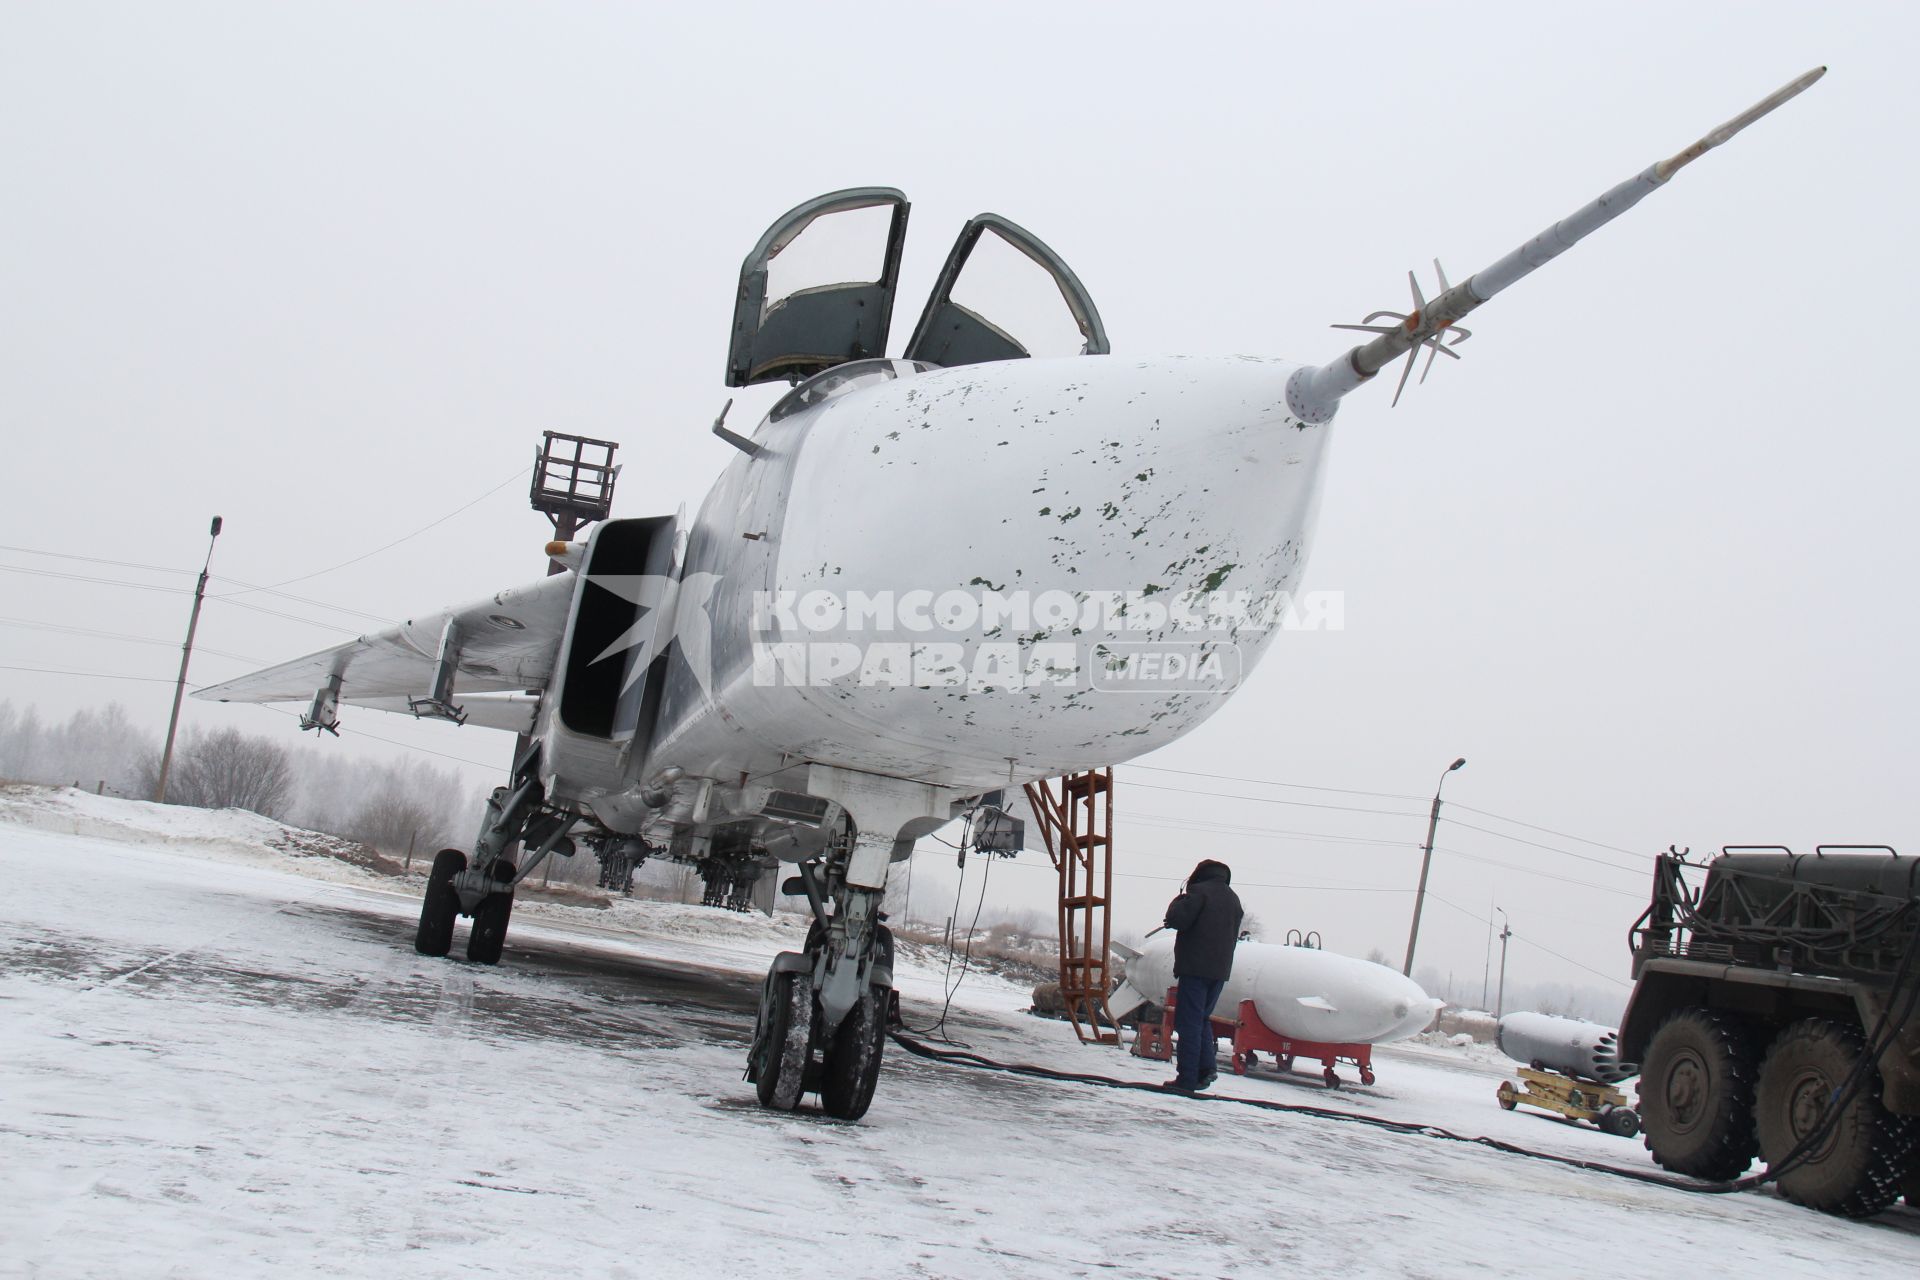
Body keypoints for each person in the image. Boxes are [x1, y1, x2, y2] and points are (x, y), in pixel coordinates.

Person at [1160, 859, 1243, 1093]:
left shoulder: (1199, 893)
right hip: (1219, 971)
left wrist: (1178, 901)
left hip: (1195, 968)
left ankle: (1186, 1080)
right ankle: (1205, 1069)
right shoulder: (1233, 899)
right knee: (1202, 1019)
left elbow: (1178, 920)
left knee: (1188, 1022)